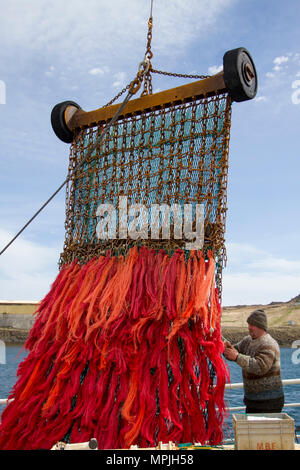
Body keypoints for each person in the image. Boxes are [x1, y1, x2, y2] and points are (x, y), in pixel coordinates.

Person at [223, 309, 285, 414]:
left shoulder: (269, 344)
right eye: (249, 324)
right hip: (252, 402)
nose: (249, 327)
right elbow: (234, 351)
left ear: (261, 326)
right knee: (252, 429)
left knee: (264, 430)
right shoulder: (248, 340)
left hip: (269, 403)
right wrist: (225, 346)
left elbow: (260, 367)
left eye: (252, 325)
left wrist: (237, 357)